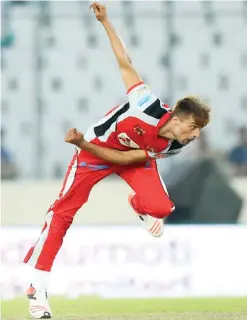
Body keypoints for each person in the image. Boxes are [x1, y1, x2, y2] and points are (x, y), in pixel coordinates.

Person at [24, 2, 210, 319]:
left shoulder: (174, 145)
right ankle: (37, 287)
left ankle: (139, 206)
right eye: (193, 128)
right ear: (178, 120)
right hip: (91, 151)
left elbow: (126, 157)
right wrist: (106, 22)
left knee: (162, 209)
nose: (195, 136)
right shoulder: (145, 103)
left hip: (125, 157)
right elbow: (124, 62)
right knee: (62, 212)